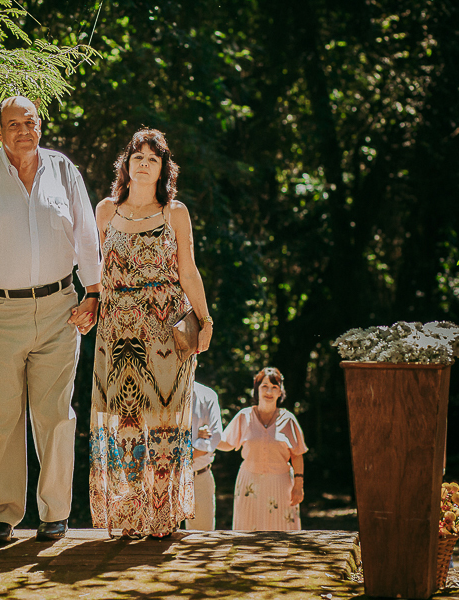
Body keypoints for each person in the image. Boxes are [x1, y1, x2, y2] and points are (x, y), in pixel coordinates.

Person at [0, 96, 101, 544]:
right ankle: (3, 513)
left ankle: (55, 513)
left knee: (55, 414)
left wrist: (94, 295)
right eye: (13, 124)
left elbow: (86, 235)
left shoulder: (64, 171)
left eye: (29, 122)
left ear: (40, 126)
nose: (22, 131)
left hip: (59, 308)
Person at [89, 128, 213, 539]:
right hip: (116, 330)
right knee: (124, 423)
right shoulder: (106, 210)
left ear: (164, 169)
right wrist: (89, 305)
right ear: (126, 164)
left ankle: (161, 517)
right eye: (137, 156)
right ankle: (126, 516)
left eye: (152, 158)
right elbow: (94, 272)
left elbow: (188, 270)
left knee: (162, 424)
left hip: (165, 331)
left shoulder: (175, 212)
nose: (143, 162)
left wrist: (205, 319)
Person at [218, 367, 307, 531]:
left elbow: (298, 454)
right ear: (256, 390)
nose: (269, 391)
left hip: (281, 484)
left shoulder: (288, 420)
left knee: (282, 535)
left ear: (280, 392)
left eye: (274, 387)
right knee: (247, 534)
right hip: (249, 485)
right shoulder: (244, 416)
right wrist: (208, 436)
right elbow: (226, 443)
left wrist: (298, 486)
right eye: (264, 386)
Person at [185, 382, 223, 531]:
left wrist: (175, 458)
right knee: (163, 539)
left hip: (199, 476)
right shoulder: (159, 394)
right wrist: (196, 443)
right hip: (167, 479)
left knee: (201, 538)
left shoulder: (208, 395)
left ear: (195, 362)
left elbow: (215, 436)